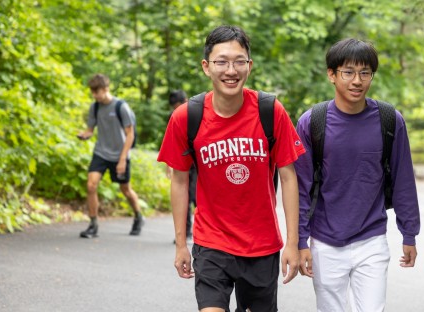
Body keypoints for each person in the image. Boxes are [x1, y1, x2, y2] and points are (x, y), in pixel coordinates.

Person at [157, 25, 304, 311]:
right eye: (221, 62)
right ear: (206, 67)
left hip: (261, 245)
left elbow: (288, 178)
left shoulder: (270, 111)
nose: (230, 70)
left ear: (249, 65)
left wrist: (293, 243)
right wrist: (180, 245)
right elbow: (179, 181)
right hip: (211, 242)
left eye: (238, 61)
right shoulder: (187, 116)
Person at [294, 38, 420, 312]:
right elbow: (301, 188)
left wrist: (409, 234)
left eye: (365, 73)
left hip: (371, 238)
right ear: (332, 74)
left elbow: (403, 181)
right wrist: (300, 241)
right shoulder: (312, 122)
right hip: (325, 241)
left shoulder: (389, 120)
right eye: (348, 72)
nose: (357, 80)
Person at [77, 74, 144, 238]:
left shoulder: (121, 107)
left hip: (120, 154)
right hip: (101, 152)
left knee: (125, 190)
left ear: (106, 89)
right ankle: (93, 225)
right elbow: (90, 130)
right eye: (92, 92)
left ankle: (138, 216)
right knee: (91, 185)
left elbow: (130, 135)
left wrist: (122, 160)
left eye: (97, 92)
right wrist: (84, 134)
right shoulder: (95, 107)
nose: (94, 95)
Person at [166, 90, 196, 244]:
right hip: (184, 164)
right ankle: (186, 233)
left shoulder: (197, 113)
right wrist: (168, 165)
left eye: (179, 106)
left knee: (197, 197)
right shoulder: (176, 117)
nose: (176, 109)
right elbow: (170, 143)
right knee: (186, 197)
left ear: (185, 100)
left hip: (199, 164)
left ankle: (206, 232)